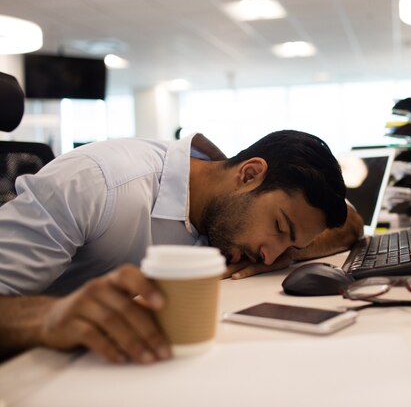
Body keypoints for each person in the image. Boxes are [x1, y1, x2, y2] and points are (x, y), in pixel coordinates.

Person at [0, 130, 364, 364]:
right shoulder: (96, 184)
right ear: (250, 174)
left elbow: (352, 222)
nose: (270, 254)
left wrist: (291, 251)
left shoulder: (221, 189)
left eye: (290, 243)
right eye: (280, 228)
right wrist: (49, 316)